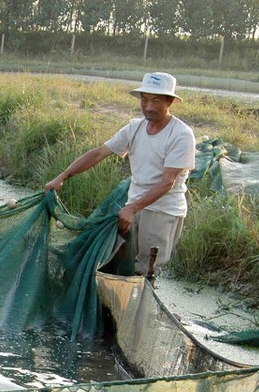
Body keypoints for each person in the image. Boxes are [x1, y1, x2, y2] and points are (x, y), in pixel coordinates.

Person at [44, 72, 197, 277]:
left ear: (170, 102)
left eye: (156, 101)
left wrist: (132, 208)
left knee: (146, 270)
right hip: (133, 205)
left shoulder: (181, 134)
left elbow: (167, 182)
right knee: (120, 264)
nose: (149, 107)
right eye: (144, 100)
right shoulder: (135, 127)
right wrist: (63, 176)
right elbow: (99, 153)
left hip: (162, 211)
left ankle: (142, 296)